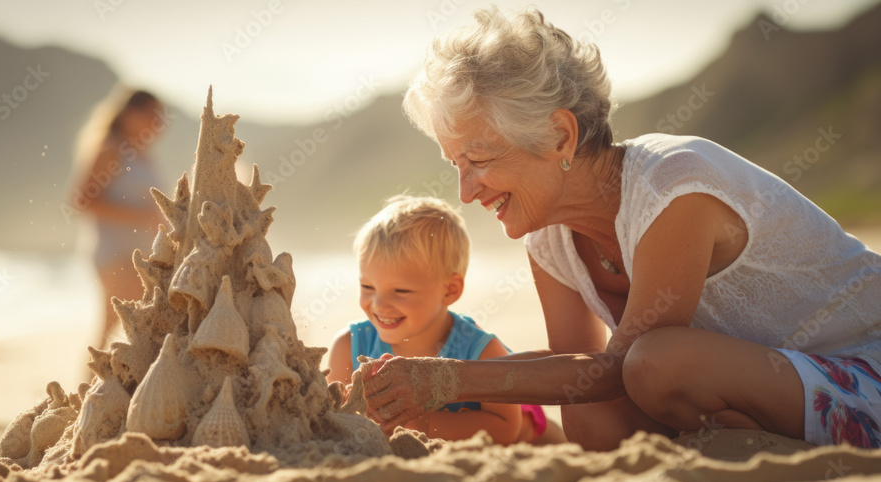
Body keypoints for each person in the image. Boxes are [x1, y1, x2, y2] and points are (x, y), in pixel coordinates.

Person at [362, 6, 881, 450]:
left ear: (560, 135)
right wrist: (424, 375)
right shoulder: (548, 235)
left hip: (862, 365)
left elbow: (624, 363)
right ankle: (743, 454)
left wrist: (447, 380)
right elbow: (582, 371)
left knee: (657, 363)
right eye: (456, 165)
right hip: (766, 386)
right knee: (590, 414)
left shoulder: (674, 184)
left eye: (477, 159)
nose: (466, 192)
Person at [327, 195, 564, 445]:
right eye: (367, 286)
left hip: (528, 427)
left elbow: (507, 429)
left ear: (449, 290)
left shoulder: (481, 350)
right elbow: (335, 413)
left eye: (401, 291)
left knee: (554, 437)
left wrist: (421, 424)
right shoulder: (350, 345)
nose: (379, 304)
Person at [72, 87, 165, 349]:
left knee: (122, 327)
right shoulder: (111, 151)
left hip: (140, 255)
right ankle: (90, 387)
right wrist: (141, 216)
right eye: (153, 114)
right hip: (115, 254)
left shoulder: (143, 156)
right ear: (130, 115)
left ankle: (91, 387)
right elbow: (81, 200)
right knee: (120, 325)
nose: (160, 123)